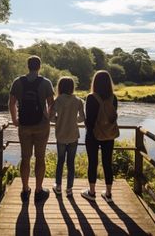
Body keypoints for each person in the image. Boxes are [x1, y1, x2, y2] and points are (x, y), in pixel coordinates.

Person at [8, 55, 54, 203]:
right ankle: (39, 190)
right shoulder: (46, 83)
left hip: (24, 126)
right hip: (41, 126)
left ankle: (25, 189)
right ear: (39, 66)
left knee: (25, 158)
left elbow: (12, 102)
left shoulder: (18, 82)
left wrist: (15, 119)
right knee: (40, 158)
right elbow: (51, 104)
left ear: (28, 66)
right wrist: (48, 116)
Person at [81, 70, 119, 203]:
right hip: (109, 134)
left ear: (95, 82)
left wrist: (87, 125)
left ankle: (91, 192)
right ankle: (108, 194)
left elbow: (90, 121)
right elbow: (113, 117)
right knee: (107, 163)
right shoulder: (113, 98)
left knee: (93, 163)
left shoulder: (91, 97)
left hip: (93, 135)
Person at [50, 77, 85, 197]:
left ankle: (58, 187)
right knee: (71, 162)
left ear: (60, 87)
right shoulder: (78, 100)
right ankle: (69, 189)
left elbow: (50, 117)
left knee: (60, 161)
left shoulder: (58, 100)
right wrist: (73, 120)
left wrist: (59, 120)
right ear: (72, 87)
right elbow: (82, 118)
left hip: (60, 135)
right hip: (73, 135)